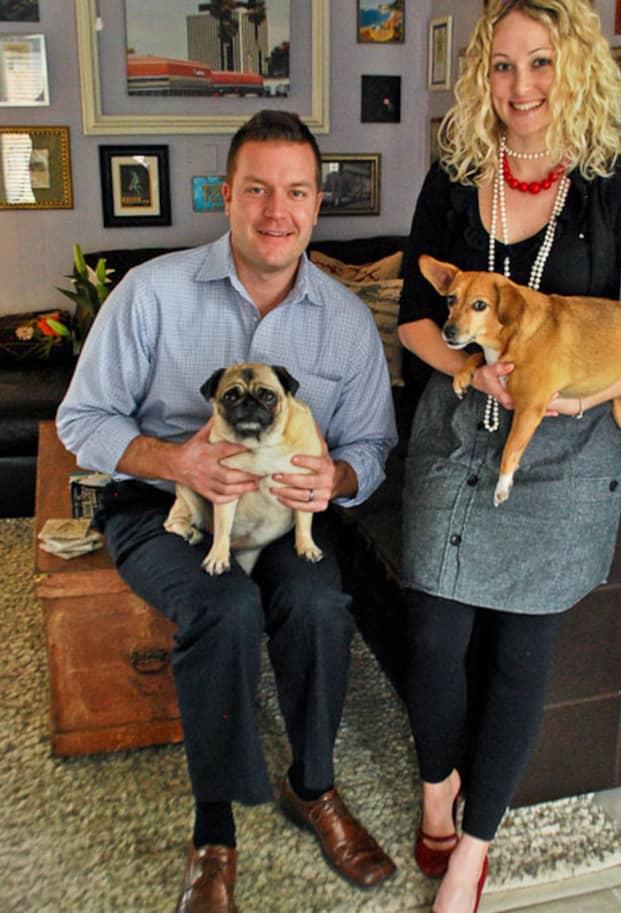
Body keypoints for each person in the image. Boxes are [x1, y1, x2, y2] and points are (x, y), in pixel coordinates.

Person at [396, 4, 621, 913]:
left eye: (539, 63)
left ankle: (471, 852)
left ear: (572, 69)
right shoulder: (456, 178)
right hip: (459, 437)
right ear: (479, 77)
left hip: (565, 452)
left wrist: (591, 391)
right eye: (500, 66)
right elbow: (416, 315)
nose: (521, 87)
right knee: (434, 636)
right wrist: (469, 370)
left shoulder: (615, 186)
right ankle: (435, 790)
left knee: (523, 653)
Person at [56, 110, 398, 913]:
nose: (276, 210)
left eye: (296, 191)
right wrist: (176, 460)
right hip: (161, 503)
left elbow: (375, 444)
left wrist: (339, 477)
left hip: (283, 509)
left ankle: (312, 784)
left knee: (319, 603)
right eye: (257, 189)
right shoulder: (152, 293)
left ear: (317, 204)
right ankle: (214, 830)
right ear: (226, 196)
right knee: (223, 603)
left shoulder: (346, 324)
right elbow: (81, 420)